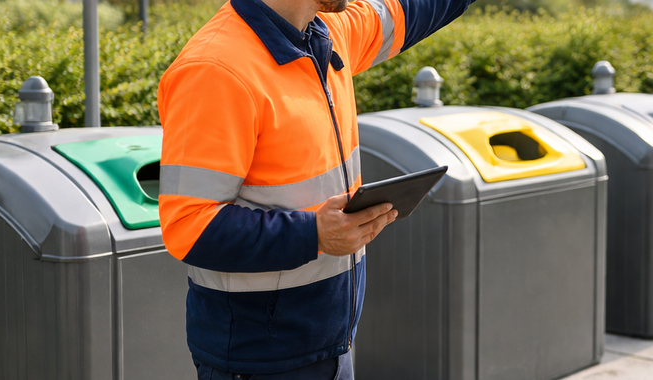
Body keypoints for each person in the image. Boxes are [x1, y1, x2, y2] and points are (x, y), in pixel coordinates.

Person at [155, 0, 475, 378]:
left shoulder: (327, 33)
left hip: (332, 344)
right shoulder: (214, 70)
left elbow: (411, 10)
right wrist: (314, 234)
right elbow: (189, 228)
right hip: (258, 361)